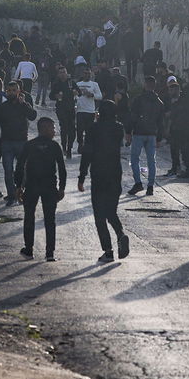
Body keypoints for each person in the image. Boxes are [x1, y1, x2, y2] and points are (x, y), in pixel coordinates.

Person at [79, 100, 130, 263]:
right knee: (111, 211)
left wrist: (82, 176)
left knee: (99, 215)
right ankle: (120, 234)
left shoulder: (94, 128)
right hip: (115, 173)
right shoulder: (118, 128)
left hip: (98, 174)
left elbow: (87, 152)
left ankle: (108, 251)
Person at [15, 117, 67, 261]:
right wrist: (61, 187)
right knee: (50, 220)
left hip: (32, 186)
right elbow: (62, 169)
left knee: (29, 217)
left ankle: (29, 249)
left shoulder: (30, 145)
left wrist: (18, 186)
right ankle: (49, 253)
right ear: (44, 128)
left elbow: (19, 166)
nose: (54, 131)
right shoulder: (55, 146)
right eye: (52, 128)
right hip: (49, 186)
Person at [0, 80, 38, 206]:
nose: (11, 93)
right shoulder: (1, 108)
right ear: (6, 91)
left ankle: (20, 191)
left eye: (14, 90)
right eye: (9, 91)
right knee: (8, 170)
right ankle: (11, 196)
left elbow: (33, 116)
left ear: (19, 91)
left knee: (22, 170)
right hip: (7, 143)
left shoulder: (23, 105)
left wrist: (25, 104)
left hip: (22, 142)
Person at [126, 76, 167, 196]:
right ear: (154, 86)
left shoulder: (138, 100)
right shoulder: (159, 103)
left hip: (139, 132)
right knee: (151, 161)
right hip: (152, 134)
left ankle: (138, 183)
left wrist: (128, 132)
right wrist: (159, 137)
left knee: (134, 159)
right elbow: (161, 122)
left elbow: (132, 117)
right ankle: (150, 186)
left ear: (145, 85)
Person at [50, 65, 78, 157]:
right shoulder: (56, 84)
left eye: (64, 72)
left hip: (71, 108)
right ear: (58, 74)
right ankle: (64, 147)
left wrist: (76, 93)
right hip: (61, 108)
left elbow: (79, 92)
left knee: (72, 130)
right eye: (61, 73)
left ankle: (69, 148)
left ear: (67, 73)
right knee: (64, 128)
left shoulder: (71, 82)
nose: (63, 74)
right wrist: (56, 96)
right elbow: (51, 95)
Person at [74, 66, 102, 150]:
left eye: (89, 74)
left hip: (90, 111)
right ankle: (80, 144)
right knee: (79, 130)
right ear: (83, 74)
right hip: (80, 110)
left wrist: (92, 95)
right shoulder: (78, 84)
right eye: (85, 73)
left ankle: (87, 146)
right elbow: (73, 96)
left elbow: (100, 96)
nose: (87, 75)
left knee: (89, 130)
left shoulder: (94, 84)